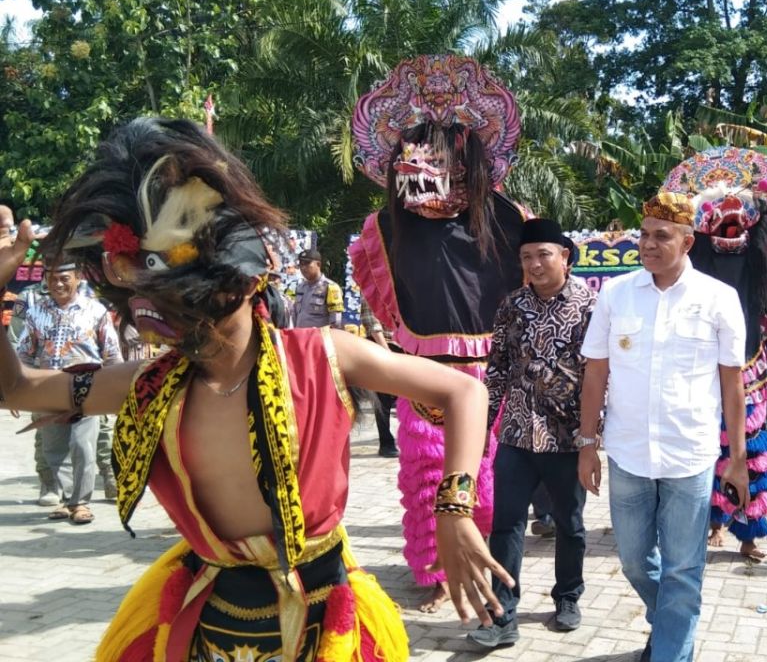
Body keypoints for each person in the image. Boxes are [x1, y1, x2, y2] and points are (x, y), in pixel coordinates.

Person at [0, 118, 511, 661]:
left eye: (190, 303)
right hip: (209, 622)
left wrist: (454, 509)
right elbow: (16, 387)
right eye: (160, 308)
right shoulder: (149, 385)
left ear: (250, 278)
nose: (183, 327)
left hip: (323, 620)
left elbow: (464, 393)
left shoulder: (324, 354)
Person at [349, 55, 525, 613]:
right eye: (414, 149)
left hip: (488, 371)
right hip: (422, 369)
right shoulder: (385, 224)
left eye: (440, 149)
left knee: (487, 477)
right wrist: (399, 336)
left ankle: (485, 564)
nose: (423, 161)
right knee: (426, 478)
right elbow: (377, 284)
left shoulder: (506, 216)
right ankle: (436, 573)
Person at [577, 192, 749, 662]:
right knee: (633, 558)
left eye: (661, 236)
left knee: (684, 567)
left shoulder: (719, 299)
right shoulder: (615, 295)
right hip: (628, 453)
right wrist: (587, 444)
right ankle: (675, 625)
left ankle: (672, 650)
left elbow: (732, 385)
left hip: (689, 455)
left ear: (688, 242)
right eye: (643, 235)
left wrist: (737, 460)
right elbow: (596, 372)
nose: (647, 244)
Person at [658, 146, 767, 562]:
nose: (730, 223)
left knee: (750, 451)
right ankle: (710, 523)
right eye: (720, 217)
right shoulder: (687, 272)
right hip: (699, 372)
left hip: (749, 369)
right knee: (702, 449)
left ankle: (748, 533)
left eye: (740, 216)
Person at [467, 218, 595, 649]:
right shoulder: (512, 306)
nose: (535, 264)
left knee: (571, 524)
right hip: (518, 434)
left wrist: (593, 436)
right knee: (505, 524)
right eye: (526, 257)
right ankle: (502, 612)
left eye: (544, 254)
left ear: (565, 256)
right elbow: (498, 366)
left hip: (567, 437)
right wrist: (483, 425)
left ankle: (568, 596)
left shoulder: (591, 306)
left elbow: (601, 375)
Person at [17, 260, 123, 523]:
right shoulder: (34, 313)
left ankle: (81, 503)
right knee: (55, 449)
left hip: (87, 388)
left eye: (64, 277)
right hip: (47, 388)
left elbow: (111, 354)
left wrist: (118, 391)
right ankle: (66, 501)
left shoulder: (96, 311)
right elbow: (24, 355)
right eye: (52, 278)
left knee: (83, 446)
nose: (58, 283)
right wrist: (16, 392)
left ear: (77, 277)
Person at [358, 299, 398, 458]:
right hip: (380, 346)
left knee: (410, 400)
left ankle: (413, 440)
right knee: (382, 399)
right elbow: (372, 323)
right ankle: (386, 442)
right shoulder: (372, 288)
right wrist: (387, 352)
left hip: (404, 346)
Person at [291, 247, 344, 329]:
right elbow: (295, 315)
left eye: (307, 263)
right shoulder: (300, 288)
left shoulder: (330, 287)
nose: (303, 267)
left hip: (319, 339)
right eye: (301, 264)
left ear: (318, 264)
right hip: (300, 337)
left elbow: (336, 322)